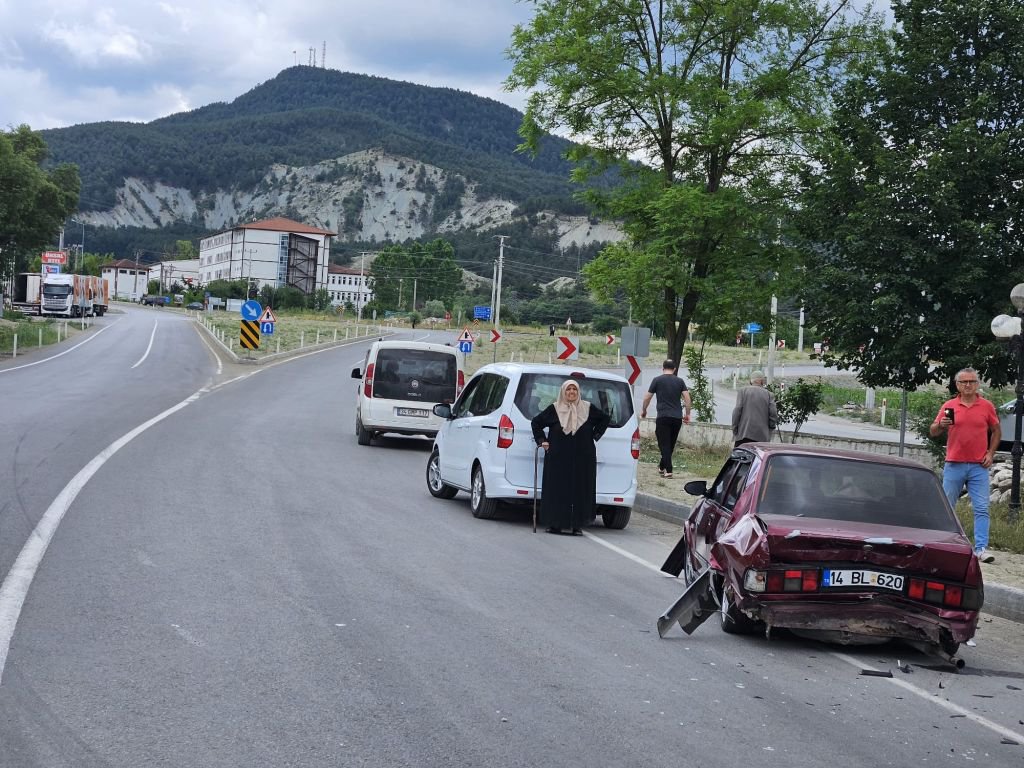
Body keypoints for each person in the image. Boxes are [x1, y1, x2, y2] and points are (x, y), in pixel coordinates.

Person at [930, 367, 1001, 563]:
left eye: (972, 381)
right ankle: (944, 543)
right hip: (954, 464)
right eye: (964, 382)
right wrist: (941, 425)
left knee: (982, 508)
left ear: (977, 384)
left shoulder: (986, 406)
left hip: (979, 465)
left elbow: (996, 431)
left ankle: (981, 548)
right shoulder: (950, 405)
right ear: (958, 385)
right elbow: (933, 432)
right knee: (947, 507)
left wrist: (991, 453)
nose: (968, 385)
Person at [532, 379, 610, 535]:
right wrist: (542, 441)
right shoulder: (555, 409)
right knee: (557, 489)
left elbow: (605, 419)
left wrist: (595, 436)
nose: (571, 392)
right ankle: (555, 524)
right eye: (568, 389)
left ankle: (577, 525)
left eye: (574, 389)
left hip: (583, 457)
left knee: (580, 490)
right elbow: (536, 422)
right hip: (558, 457)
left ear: (578, 392)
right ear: (563, 392)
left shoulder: (587, 408)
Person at [641, 360, 691, 479]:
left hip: (663, 417)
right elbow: (687, 398)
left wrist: (644, 410)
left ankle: (669, 471)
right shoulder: (680, 381)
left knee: (664, 444)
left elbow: (647, 397)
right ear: (674, 369)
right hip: (677, 418)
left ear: (663, 368)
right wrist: (687, 413)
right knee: (670, 445)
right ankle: (662, 467)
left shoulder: (657, 380)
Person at [732, 370, 778, 447]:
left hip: (743, 434)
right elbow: (773, 414)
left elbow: (737, 411)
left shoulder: (743, 391)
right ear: (762, 381)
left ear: (751, 381)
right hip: (762, 437)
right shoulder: (769, 394)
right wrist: (770, 428)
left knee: (739, 458)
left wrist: (735, 428)